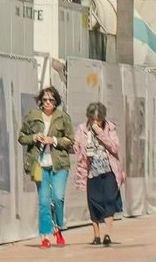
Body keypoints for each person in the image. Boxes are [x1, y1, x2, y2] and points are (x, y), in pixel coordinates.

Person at [19, 85, 75, 248]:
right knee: (44, 201)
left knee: (57, 198)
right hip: (39, 165)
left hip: (60, 164)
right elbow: (21, 137)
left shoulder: (63, 117)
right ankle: (45, 236)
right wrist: (34, 137)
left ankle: (58, 228)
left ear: (56, 101)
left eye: (51, 100)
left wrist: (54, 140)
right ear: (40, 101)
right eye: (45, 100)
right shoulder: (33, 117)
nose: (48, 102)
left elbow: (71, 140)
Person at [74, 101, 125, 246]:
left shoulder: (110, 128)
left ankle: (107, 234)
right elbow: (76, 146)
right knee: (94, 203)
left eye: (98, 119)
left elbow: (115, 148)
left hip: (109, 169)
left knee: (110, 200)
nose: (95, 122)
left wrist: (101, 134)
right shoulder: (83, 129)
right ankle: (96, 235)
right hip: (91, 171)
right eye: (93, 119)